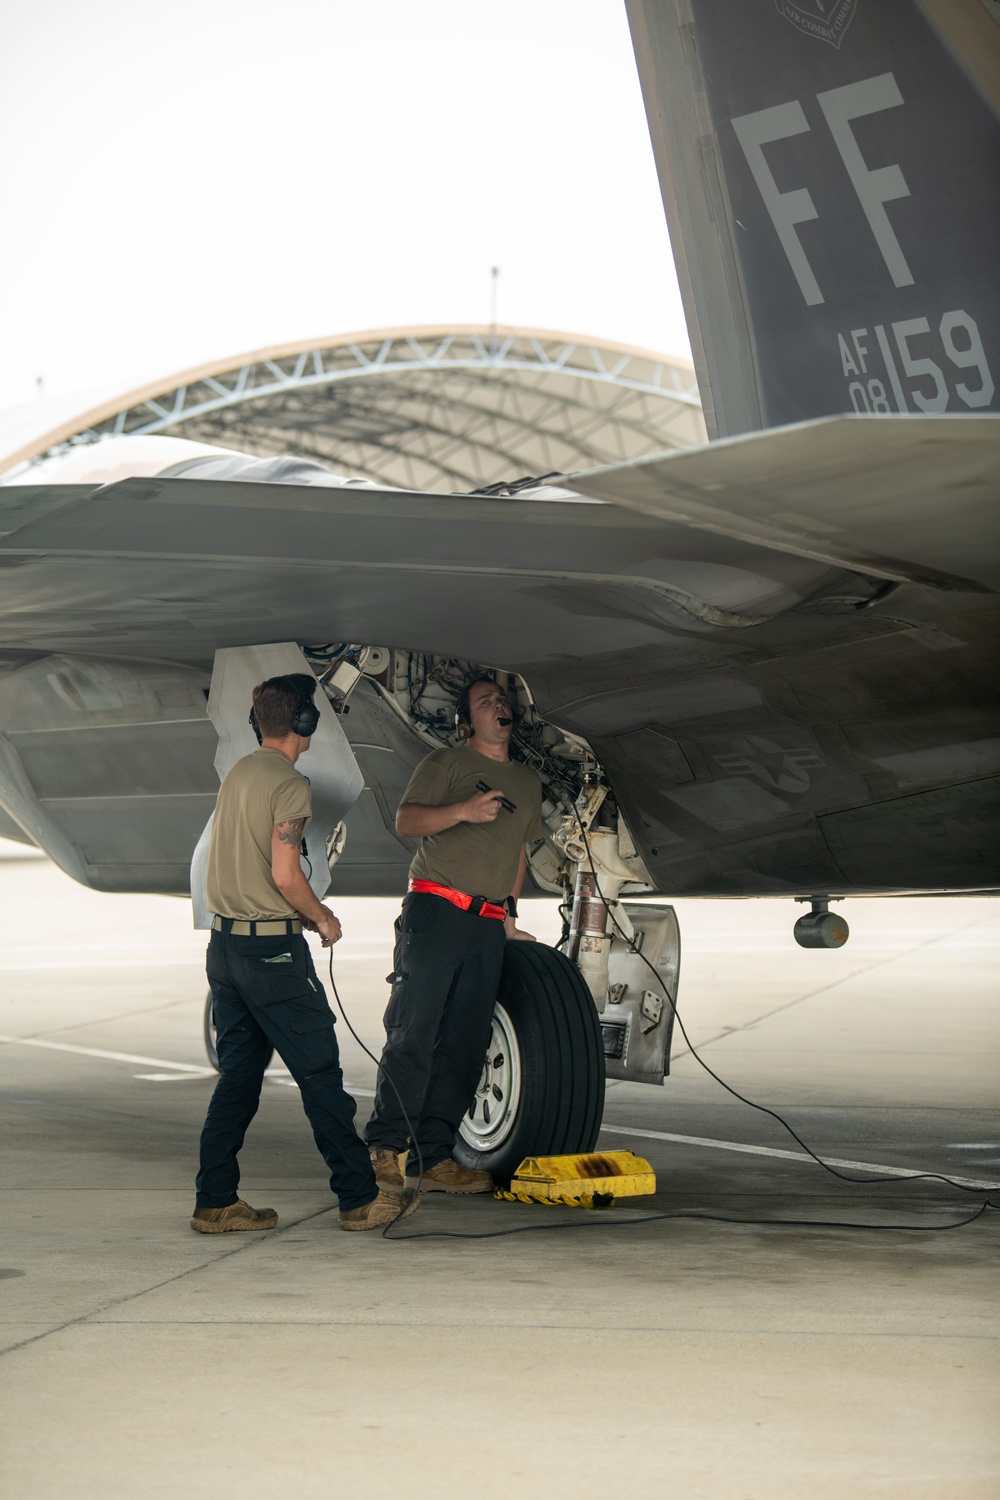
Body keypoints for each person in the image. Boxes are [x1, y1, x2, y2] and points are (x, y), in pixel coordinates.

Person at [192, 672, 418, 1234]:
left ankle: (215, 1200)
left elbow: (240, 866)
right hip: (272, 957)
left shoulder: (239, 775)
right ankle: (359, 1198)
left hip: (224, 951)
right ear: (306, 723)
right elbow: (286, 874)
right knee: (319, 1074)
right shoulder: (289, 786)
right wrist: (322, 917)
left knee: (239, 1081)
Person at [364, 674, 542, 1196]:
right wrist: (464, 810)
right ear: (470, 719)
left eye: (502, 699)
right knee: (414, 1032)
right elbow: (406, 821)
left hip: (487, 922)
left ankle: (433, 1156)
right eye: (486, 701)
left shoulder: (528, 782)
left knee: (465, 1042)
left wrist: (508, 915)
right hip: (437, 910)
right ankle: (385, 1149)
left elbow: (519, 851)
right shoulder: (447, 764)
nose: (498, 706)